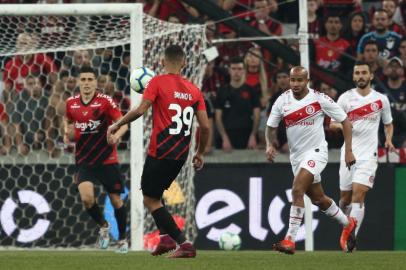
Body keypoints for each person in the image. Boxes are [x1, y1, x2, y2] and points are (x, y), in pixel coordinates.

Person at [107, 45, 209, 258]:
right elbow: (205, 127)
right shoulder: (194, 90)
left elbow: (140, 110)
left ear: (162, 63)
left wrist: (117, 124)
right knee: (156, 195)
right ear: (184, 63)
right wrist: (199, 153)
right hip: (181, 154)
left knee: (150, 199)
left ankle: (184, 244)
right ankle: (164, 240)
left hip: (160, 151)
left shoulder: (157, 82)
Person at [265, 66, 357, 254]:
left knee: (297, 189)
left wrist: (348, 150)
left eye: (300, 80)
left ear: (307, 81)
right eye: (293, 80)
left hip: (317, 152)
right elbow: (270, 127)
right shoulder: (282, 100)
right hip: (297, 157)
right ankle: (348, 223)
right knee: (318, 199)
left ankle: (290, 240)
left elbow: (346, 122)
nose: (296, 84)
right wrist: (269, 144)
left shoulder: (319, 98)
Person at [64, 66, 129, 253]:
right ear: (78, 82)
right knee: (86, 198)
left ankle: (122, 240)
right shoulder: (71, 103)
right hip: (84, 159)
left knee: (116, 200)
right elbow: (68, 122)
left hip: (107, 158)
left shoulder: (105, 102)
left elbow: (122, 121)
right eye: (83, 79)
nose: (86, 83)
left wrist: (117, 136)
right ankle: (103, 226)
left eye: (90, 79)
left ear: (95, 82)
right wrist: (66, 133)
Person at [332, 61, 394, 252]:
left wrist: (389, 140)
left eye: (364, 73)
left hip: (368, 155)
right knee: (344, 198)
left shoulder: (381, 100)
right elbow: (333, 124)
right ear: (353, 77)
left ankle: (350, 236)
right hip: (348, 153)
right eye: (357, 73)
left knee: (358, 195)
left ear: (370, 76)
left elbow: (388, 124)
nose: (360, 76)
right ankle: (346, 224)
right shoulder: (345, 99)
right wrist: (345, 126)